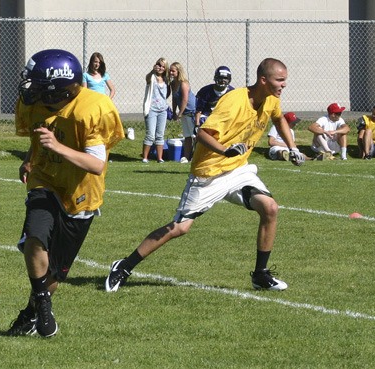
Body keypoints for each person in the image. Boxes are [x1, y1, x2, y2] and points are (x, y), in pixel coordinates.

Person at [105, 58, 304, 293]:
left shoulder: (271, 99)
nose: (283, 85)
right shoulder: (233, 101)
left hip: (238, 170)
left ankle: (260, 275)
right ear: (263, 80)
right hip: (208, 174)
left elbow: (279, 118)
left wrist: (293, 148)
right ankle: (124, 266)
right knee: (179, 228)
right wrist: (225, 150)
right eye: (280, 80)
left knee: (270, 208)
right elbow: (203, 134)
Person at [8, 49, 124, 338]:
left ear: (57, 90)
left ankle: (31, 312)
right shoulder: (35, 104)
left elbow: (96, 164)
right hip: (45, 180)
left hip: (81, 192)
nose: (30, 90)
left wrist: (56, 147)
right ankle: (44, 305)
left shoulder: (92, 108)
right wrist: (30, 157)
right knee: (35, 237)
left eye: (37, 85)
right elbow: (40, 135)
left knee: (55, 272)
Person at [141, 57, 171, 163]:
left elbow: (167, 93)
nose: (161, 68)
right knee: (150, 134)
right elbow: (148, 78)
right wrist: (152, 70)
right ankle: (145, 157)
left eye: (163, 66)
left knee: (160, 134)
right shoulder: (152, 77)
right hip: (152, 109)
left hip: (162, 110)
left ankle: (160, 158)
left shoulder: (166, 79)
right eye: (159, 65)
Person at [169, 62, 197, 163]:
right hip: (184, 113)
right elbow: (174, 98)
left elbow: (185, 100)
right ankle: (186, 157)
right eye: (170, 71)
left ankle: (195, 156)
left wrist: (179, 114)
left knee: (194, 136)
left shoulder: (184, 83)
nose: (171, 73)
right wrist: (174, 112)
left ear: (178, 71)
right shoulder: (173, 84)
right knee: (187, 136)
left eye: (173, 71)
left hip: (191, 112)